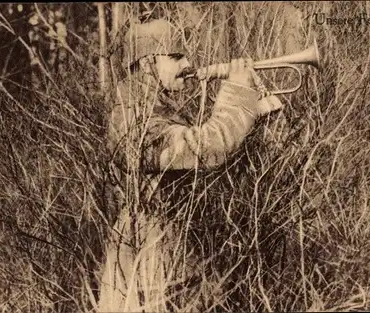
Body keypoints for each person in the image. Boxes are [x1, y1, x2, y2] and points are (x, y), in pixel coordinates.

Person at [97, 18, 284, 312]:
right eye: (176, 56)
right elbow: (206, 148)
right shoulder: (132, 117)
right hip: (148, 269)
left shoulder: (155, 108)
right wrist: (237, 94)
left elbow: (204, 171)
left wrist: (253, 119)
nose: (188, 63)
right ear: (147, 63)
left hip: (174, 261)